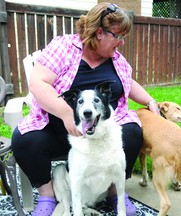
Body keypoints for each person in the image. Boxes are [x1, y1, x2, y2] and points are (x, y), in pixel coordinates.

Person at [11, 2, 160, 216]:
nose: (122, 42)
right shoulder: (64, 47)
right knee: (24, 140)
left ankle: (113, 193)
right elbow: (38, 83)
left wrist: (150, 101)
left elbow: (129, 82)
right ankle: (47, 194)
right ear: (100, 33)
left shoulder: (115, 58)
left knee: (132, 131)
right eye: (118, 36)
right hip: (59, 130)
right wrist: (65, 114)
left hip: (103, 132)